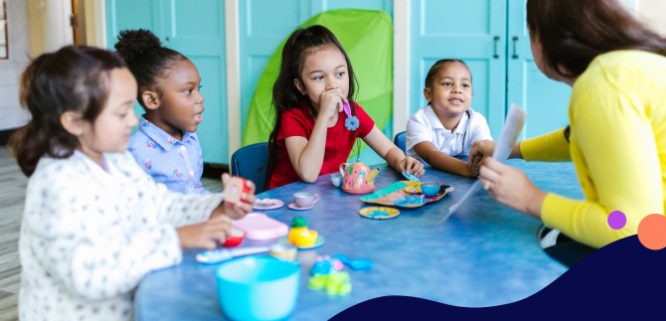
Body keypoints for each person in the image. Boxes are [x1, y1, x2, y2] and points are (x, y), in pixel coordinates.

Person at [10, 46, 254, 320]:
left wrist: (216, 206)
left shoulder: (117, 160)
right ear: (75, 122)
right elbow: (88, 274)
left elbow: (160, 204)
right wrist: (174, 240)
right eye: (121, 112)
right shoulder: (57, 183)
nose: (133, 120)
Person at [470, 0, 666, 264]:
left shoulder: (602, 86)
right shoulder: (636, 69)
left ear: (545, 37)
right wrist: (511, 151)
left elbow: (626, 226)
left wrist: (530, 199)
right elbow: (584, 137)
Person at [266, 25, 424, 189]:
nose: (332, 85)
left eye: (339, 74)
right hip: (287, 201)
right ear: (301, 86)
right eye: (319, 77)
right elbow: (308, 174)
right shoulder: (292, 117)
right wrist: (323, 117)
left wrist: (402, 161)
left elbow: (388, 150)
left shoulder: (352, 113)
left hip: (324, 198)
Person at [116, 29, 207, 194]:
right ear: (152, 100)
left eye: (198, 89)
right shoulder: (134, 153)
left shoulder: (191, 139)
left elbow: (196, 190)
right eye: (188, 91)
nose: (200, 98)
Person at [406, 58, 493, 177]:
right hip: (425, 184)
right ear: (428, 94)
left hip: (464, 184)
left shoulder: (476, 120)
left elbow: (484, 148)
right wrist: (468, 170)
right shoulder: (418, 121)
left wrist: (483, 160)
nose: (457, 90)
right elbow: (431, 155)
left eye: (465, 85)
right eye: (447, 84)